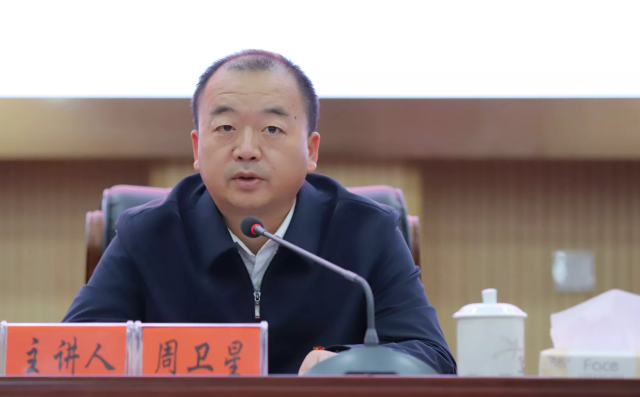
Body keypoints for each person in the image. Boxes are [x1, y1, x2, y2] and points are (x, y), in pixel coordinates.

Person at [63, 49, 456, 375]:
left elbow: (432, 359)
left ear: (311, 150)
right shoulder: (148, 234)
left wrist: (344, 361)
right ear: (197, 149)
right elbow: (71, 355)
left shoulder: (366, 231)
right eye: (226, 128)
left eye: (271, 129)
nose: (246, 149)